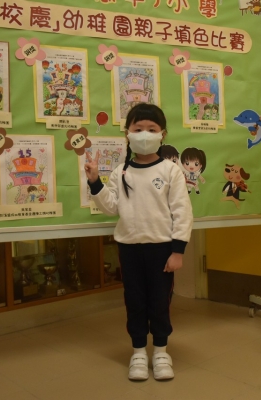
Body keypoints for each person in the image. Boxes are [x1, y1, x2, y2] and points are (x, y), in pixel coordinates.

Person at [84, 103, 192, 381]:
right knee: (135, 302)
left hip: (162, 250)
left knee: (159, 302)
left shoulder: (171, 170)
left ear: (162, 135)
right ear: (127, 133)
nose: (145, 134)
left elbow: (182, 212)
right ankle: (139, 353)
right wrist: (95, 181)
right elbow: (110, 207)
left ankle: (161, 352)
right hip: (129, 249)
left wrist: (178, 251)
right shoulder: (121, 171)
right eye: (138, 128)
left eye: (152, 129)